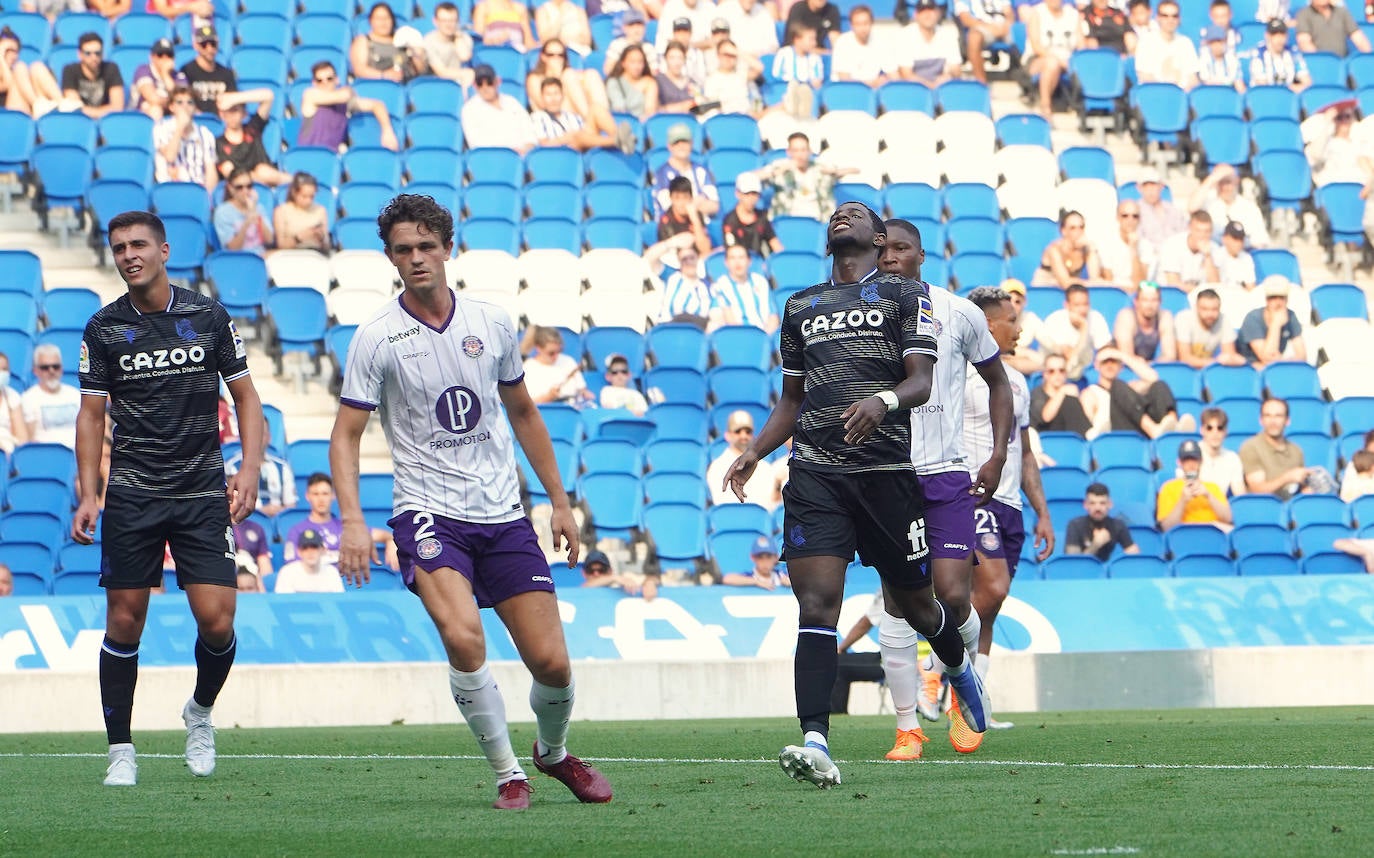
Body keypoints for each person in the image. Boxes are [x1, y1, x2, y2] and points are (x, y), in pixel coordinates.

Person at [330, 193, 613, 810]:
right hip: (427, 511)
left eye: (426, 246)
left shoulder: (491, 322)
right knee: (464, 638)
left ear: (447, 248)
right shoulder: (376, 338)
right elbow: (345, 434)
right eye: (403, 250)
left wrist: (559, 502)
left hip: (503, 512)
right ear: (391, 258)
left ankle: (553, 754)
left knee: (553, 665)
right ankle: (509, 772)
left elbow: (524, 413)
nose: (416, 259)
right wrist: (352, 520)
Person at [721, 201, 990, 790]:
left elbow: (919, 381)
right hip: (815, 475)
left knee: (919, 607)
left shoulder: (904, 298)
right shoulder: (800, 306)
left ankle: (960, 668)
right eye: (837, 213)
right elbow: (792, 401)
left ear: (876, 236)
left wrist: (883, 401)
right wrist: (755, 452)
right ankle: (815, 738)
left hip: (888, 475)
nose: (843, 216)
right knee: (817, 604)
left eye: (857, 213)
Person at [71, 209, 265, 788]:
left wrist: (249, 468)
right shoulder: (103, 327)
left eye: (137, 244)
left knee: (217, 621)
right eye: (118, 246)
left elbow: (248, 398)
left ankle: (200, 711)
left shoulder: (206, 314)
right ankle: (120, 749)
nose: (128, 254)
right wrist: (89, 491)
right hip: (133, 494)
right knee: (125, 622)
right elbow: (90, 414)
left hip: (203, 489)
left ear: (163, 249)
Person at [876, 219, 1013, 761]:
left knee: (953, 595)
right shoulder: (857, 316)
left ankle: (963, 686)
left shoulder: (960, 313)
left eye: (901, 248)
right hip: (887, 476)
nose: (889, 257)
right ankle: (908, 729)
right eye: (881, 248)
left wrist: (997, 454)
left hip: (946, 472)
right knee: (897, 603)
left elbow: (998, 383)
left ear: (922, 255)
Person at [958, 284, 1054, 746]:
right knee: (992, 589)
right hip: (974, 497)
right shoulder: (954, 373)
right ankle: (937, 671)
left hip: (1012, 503)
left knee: (990, 610)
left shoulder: (1015, 382)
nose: (1019, 328)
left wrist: (1043, 513)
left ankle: (976, 703)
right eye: (1012, 320)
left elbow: (1027, 453)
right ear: (989, 325)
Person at [1082, 347, 1192, 440]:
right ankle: (1153, 429)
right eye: (1105, 362)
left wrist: (1122, 356)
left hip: (1136, 428)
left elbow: (1153, 378)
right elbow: (1088, 428)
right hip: (1115, 432)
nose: (1110, 365)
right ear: (1097, 365)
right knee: (1117, 386)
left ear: (1120, 365)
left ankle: (1173, 424)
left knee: (1159, 386)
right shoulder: (1090, 392)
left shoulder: (1129, 387)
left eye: (1114, 361)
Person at [298, 61, 399, 152]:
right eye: (319, 80)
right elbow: (344, 95)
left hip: (332, 157)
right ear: (314, 83)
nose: (325, 83)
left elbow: (377, 105)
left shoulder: (344, 102)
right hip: (309, 153)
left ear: (336, 80)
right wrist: (349, 91)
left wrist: (387, 131)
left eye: (329, 79)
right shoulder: (310, 95)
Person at [758, 131, 857, 221]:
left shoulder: (820, 167)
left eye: (803, 150)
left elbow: (854, 170)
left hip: (818, 220)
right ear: (789, 152)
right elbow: (749, 178)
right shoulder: (780, 166)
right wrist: (776, 172)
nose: (800, 155)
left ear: (809, 151)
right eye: (795, 150)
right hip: (787, 219)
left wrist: (835, 172)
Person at [214, 89, 291, 188]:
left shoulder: (253, 129)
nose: (232, 115)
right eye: (229, 111)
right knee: (263, 172)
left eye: (236, 110)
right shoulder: (218, 143)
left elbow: (268, 96)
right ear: (222, 114)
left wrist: (234, 98)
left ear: (244, 113)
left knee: (265, 171)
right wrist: (259, 176)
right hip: (241, 188)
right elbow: (229, 173)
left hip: (270, 183)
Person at [1240, 397, 1314, 500]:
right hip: (1264, 509)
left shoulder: (1296, 450)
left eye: (1278, 416)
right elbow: (1257, 490)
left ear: (1287, 420)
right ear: (1261, 420)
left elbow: (1301, 485)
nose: (1273, 421)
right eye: (1268, 416)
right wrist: (1286, 478)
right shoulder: (1251, 447)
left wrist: (1307, 490)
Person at [1037, 284, 1112, 382]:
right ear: (1067, 305)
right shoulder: (1054, 321)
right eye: (1077, 305)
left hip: (1085, 368)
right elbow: (1072, 359)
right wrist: (1084, 327)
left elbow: (1106, 351)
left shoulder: (1096, 318)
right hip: (1057, 371)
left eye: (1085, 304)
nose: (1082, 310)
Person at [831, 591, 890, 716]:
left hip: (896, 661)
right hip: (931, 662)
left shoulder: (893, 587)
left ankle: (837, 717)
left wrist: (841, 648)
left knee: (837, 665)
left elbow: (865, 623)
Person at [1157, 440, 1233, 531]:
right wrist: (1182, 501)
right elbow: (1166, 527)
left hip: (1212, 534)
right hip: (1184, 535)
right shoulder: (1168, 488)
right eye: (1186, 460)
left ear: (1201, 461)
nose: (1191, 465)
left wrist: (1208, 495)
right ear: (1179, 462)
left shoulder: (1212, 487)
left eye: (1194, 460)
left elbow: (1228, 519)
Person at [1021, 0, 1081, 116]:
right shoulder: (1037, 13)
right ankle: (1045, 106)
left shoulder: (1073, 15)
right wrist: (1059, 60)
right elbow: (1036, 46)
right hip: (1038, 58)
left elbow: (1081, 43)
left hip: (1067, 59)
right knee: (1052, 63)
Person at [708, 409, 776, 506]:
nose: (743, 436)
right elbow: (721, 505)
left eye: (748, 432)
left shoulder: (766, 467)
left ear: (753, 436)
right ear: (727, 435)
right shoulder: (716, 467)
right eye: (738, 431)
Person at [153, 86, 216, 191]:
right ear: (172, 107)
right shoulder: (161, 128)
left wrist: (208, 195)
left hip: (197, 188)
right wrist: (180, 128)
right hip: (170, 188)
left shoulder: (205, 133)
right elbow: (170, 156)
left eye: (190, 102)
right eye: (179, 102)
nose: (185, 106)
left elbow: (210, 170)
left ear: (195, 108)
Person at [651, 123, 719, 218]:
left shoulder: (701, 170)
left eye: (685, 142)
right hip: (672, 229)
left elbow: (714, 205)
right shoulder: (661, 174)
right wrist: (696, 203)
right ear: (669, 146)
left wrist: (691, 207)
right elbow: (671, 208)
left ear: (691, 143)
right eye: (676, 142)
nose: (681, 146)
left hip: (702, 227)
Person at [530, 77, 617, 151]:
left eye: (556, 94)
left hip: (583, 150)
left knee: (596, 108)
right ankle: (615, 141)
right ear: (542, 97)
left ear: (562, 95)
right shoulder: (537, 117)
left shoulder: (573, 117)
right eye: (548, 95)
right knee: (577, 136)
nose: (553, 99)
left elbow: (588, 136)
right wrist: (565, 138)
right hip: (559, 154)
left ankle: (618, 136)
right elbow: (542, 145)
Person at [1237, 276, 1307, 367]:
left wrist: (1282, 360)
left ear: (1287, 299)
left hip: (1275, 368)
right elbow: (1267, 358)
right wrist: (1276, 324)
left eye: (1281, 298)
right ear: (1266, 299)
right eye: (1273, 297)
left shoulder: (1291, 316)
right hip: (1249, 368)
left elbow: (1302, 356)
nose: (1277, 302)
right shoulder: (1252, 318)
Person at [350, 2, 427, 83]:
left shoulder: (403, 39)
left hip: (406, 84)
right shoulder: (363, 41)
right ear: (370, 21)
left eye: (387, 18)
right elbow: (359, 69)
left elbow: (419, 70)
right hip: (377, 86)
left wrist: (416, 52)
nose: (383, 22)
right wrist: (384, 75)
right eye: (379, 18)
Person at [711, 244, 779, 334]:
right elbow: (728, 319)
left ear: (749, 261)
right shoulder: (720, 285)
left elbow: (773, 315)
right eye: (732, 258)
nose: (737, 262)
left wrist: (765, 338)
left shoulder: (760, 281)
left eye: (741, 257)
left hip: (763, 335)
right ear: (726, 262)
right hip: (736, 335)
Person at [23, 343, 80, 448]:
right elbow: (28, 439)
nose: (51, 371)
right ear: (35, 371)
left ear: (61, 369)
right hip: (45, 455)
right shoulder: (28, 398)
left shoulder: (75, 395)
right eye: (45, 367)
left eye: (56, 366)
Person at [521, 326, 594, 406]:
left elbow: (582, 389)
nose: (556, 356)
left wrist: (585, 394)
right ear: (538, 348)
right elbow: (527, 404)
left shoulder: (568, 361)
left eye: (559, 351)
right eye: (551, 353)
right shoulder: (528, 368)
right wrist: (548, 397)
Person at [648, 235, 714, 325]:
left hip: (698, 331)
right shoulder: (671, 276)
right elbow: (650, 258)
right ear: (679, 261)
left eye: (692, 258)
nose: (689, 262)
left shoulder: (707, 284)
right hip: (670, 328)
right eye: (684, 259)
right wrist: (672, 242)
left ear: (698, 259)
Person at [0, 26, 64, 117]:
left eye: (15, 51)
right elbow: (8, 84)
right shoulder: (15, 74)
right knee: (20, 67)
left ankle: (62, 104)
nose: (12, 55)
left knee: (36, 67)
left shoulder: (20, 75)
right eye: (7, 51)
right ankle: (36, 103)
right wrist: (1, 58)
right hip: (8, 118)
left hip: (29, 113)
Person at [1133, 0, 1198, 89]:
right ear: (1157, 18)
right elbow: (1145, 77)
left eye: (1174, 16)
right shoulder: (1146, 42)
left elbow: (1193, 78)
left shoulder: (1186, 43)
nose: (1170, 20)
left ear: (1179, 19)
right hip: (1155, 95)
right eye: (1165, 16)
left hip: (1182, 97)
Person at [1176, 288, 1246, 369]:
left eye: (1214, 309)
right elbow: (1185, 359)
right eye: (1204, 309)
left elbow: (1229, 356)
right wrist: (1216, 362)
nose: (1210, 314)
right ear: (1196, 308)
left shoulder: (1223, 320)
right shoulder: (1184, 318)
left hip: (1207, 370)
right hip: (1182, 371)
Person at [224, 438, 296, 517]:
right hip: (246, 520)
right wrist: (261, 512)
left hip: (276, 518)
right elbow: (232, 504)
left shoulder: (282, 467)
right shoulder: (232, 466)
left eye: (262, 433)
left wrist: (275, 511)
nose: (259, 437)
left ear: (269, 437)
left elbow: (290, 506)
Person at [1065, 482, 1138, 560]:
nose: (1097, 508)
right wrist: (1096, 544)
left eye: (1102, 503)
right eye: (1092, 503)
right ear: (1085, 505)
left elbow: (1134, 555)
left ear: (1110, 504)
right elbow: (1074, 564)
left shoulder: (1118, 525)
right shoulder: (1075, 525)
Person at [1034, 210, 1105, 289]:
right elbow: (1065, 283)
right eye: (1073, 228)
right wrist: (1088, 283)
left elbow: (1094, 279)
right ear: (1064, 231)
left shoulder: (1085, 249)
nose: (1078, 231)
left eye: (1081, 227)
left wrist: (1091, 248)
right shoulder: (1054, 249)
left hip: (1071, 293)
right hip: (1045, 291)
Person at [61, 32, 124, 118]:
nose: (93, 57)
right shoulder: (70, 70)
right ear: (79, 54)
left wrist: (87, 111)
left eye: (97, 53)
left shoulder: (111, 68)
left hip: (104, 122)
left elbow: (117, 107)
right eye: (88, 53)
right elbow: (74, 107)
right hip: (80, 121)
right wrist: (105, 111)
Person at [212, 167, 273, 256]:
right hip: (238, 259)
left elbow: (269, 240)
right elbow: (233, 248)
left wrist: (255, 213)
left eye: (249, 186)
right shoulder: (222, 213)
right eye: (239, 187)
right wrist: (246, 224)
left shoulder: (258, 207)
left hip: (260, 255)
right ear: (230, 188)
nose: (245, 191)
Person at [900, 0, 963, 85]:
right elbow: (906, 74)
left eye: (931, 10)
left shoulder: (948, 35)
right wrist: (929, 86)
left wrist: (948, 75)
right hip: (914, 90)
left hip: (943, 89)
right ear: (916, 15)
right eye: (922, 11)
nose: (927, 15)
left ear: (938, 13)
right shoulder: (905, 36)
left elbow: (956, 69)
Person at [1098, 200, 1156, 289]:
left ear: (1139, 219)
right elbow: (1109, 281)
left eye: (1135, 216)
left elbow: (1141, 283)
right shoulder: (1106, 244)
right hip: (1116, 294)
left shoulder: (1146, 246)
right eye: (1125, 216)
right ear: (1118, 218)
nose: (1130, 220)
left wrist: (1133, 249)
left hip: (1138, 296)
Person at [830, 5, 893, 87]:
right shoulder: (843, 42)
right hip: (846, 92)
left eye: (865, 23)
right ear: (851, 25)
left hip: (872, 93)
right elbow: (844, 78)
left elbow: (893, 75)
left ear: (872, 23)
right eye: (858, 24)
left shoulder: (882, 42)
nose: (862, 28)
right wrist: (872, 84)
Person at [1029, 352, 1091, 436]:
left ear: (1066, 373)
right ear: (1045, 374)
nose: (1057, 374)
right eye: (1051, 371)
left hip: (1072, 440)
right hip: (1046, 440)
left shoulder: (1070, 394)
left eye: (1061, 370)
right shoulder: (1037, 394)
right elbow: (1046, 417)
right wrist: (1062, 391)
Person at [1113, 282, 1177, 363]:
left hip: (1148, 367)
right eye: (1145, 300)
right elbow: (1126, 356)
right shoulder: (1126, 317)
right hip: (1123, 369)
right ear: (1136, 302)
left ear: (1160, 302)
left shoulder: (1164, 317)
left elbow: (1170, 355)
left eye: (1154, 300)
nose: (1149, 305)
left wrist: (1151, 366)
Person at [771, 24, 824, 118]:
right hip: (786, 86)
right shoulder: (784, 53)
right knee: (792, 89)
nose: (814, 43)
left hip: (807, 88)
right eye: (811, 39)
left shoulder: (815, 58)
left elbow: (817, 80)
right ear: (797, 39)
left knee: (806, 92)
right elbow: (776, 75)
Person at [723, 173, 782, 257]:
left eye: (754, 194)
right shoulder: (730, 220)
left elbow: (775, 244)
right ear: (738, 194)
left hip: (759, 266)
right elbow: (732, 250)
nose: (751, 198)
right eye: (747, 194)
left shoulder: (762, 218)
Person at [180, 26, 235, 115]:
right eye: (204, 44)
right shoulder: (186, 71)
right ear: (195, 45)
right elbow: (182, 101)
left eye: (213, 44)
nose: (209, 49)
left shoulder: (226, 73)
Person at [953, 0, 1012, 84]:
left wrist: (1006, 26)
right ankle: (981, 83)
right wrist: (990, 28)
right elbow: (965, 19)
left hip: (1004, 27)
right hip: (981, 27)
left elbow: (1009, 12)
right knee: (974, 37)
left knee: (1022, 31)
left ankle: (1025, 78)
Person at [656, 175, 713, 258]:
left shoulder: (696, 215)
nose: (681, 203)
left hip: (698, 261)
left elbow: (705, 249)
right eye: (677, 198)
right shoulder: (665, 221)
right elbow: (671, 254)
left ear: (691, 198)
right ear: (671, 198)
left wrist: (694, 219)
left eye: (685, 197)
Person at [273, 529, 345, 594]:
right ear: (299, 552)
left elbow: (339, 602)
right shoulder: (287, 572)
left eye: (314, 547)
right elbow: (284, 605)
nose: (310, 552)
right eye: (305, 548)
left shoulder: (332, 572)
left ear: (323, 550)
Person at [1195, 406, 1247, 496]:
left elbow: (1239, 492)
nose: (1215, 433)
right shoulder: (1192, 454)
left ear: (1226, 431)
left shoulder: (1232, 458)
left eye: (1220, 428)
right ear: (1202, 430)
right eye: (1209, 428)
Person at [273, 172, 330, 253]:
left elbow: (327, 245)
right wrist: (299, 238)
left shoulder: (320, 210)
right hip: (291, 255)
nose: (308, 201)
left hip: (316, 254)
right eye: (304, 196)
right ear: (294, 193)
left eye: (311, 197)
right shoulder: (281, 211)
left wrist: (321, 238)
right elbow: (281, 244)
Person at [129, 38, 185, 119]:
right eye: (160, 55)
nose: (164, 58)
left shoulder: (178, 75)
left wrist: (166, 75)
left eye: (169, 55)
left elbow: (183, 99)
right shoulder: (143, 70)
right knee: (155, 109)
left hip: (171, 115)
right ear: (152, 57)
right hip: (139, 118)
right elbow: (153, 99)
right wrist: (174, 102)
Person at [423, 1, 476, 87]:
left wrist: (457, 37)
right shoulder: (429, 41)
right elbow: (441, 72)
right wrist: (466, 73)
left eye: (452, 20)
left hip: (461, 81)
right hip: (437, 84)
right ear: (435, 21)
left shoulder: (464, 38)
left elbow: (464, 56)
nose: (448, 24)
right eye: (444, 20)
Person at [1295, 0, 1372, 58]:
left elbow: (1359, 38)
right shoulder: (1303, 14)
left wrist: (1368, 59)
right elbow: (1304, 42)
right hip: (1317, 65)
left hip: (1342, 64)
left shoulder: (1342, 12)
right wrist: (1322, 62)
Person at [1250, 19, 1310, 91]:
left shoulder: (1293, 53)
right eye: (1274, 34)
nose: (1279, 38)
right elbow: (1262, 86)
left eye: (1282, 34)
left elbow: (1307, 82)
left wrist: (1289, 90)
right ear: (1267, 35)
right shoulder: (1259, 53)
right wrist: (1290, 89)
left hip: (1289, 98)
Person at [605, 41, 659, 120]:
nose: (636, 66)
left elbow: (650, 111)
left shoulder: (649, 82)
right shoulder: (614, 82)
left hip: (642, 124)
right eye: (632, 62)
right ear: (623, 63)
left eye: (640, 62)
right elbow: (619, 108)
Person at [1137, 169, 1188, 246]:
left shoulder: (1173, 210)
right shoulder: (1134, 212)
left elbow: (1184, 232)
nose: (1150, 190)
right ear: (1139, 188)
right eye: (1146, 186)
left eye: (1153, 185)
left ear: (1161, 186)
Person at [603, 11, 660, 77]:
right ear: (624, 28)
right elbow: (608, 69)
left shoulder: (649, 48)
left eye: (639, 25)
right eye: (632, 25)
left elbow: (654, 72)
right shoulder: (617, 45)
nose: (636, 30)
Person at [722, 535, 791, 588]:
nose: (765, 562)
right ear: (753, 558)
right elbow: (727, 579)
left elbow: (799, 581)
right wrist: (756, 582)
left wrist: (790, 583)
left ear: (776, 557)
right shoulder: (750, 575)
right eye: (760, 557)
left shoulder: (780, 575)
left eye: (769, 557)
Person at [656, 38, 703, 113]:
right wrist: (681, 107)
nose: (676, 62)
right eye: (672, 58)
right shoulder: (658, 81)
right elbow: (653, 109)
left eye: (680, 58)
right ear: (665, 58)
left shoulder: (692, 82)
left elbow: (700, 104)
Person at [1197, 24, 1244, 91]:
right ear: (1208, 44)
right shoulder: (1203, 59)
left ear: (1225, 42)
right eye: (1213, 42)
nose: (1217, 46)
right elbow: (1206, 81)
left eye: (1219, 41)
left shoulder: (1232, 59)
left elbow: (1238, 83)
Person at [0, 350, 30, 454]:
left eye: (4, 369)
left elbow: (22, 439)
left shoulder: (12, 396)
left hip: (10, 455)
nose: (1, 373)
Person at [1214, 221, 1256, 290]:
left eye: (1241, 239)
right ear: (1224, 239)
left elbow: (1251, 287)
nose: (1239, 243)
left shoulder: (1246, 258)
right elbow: (1215, 284)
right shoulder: (1217, 255)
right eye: (1235, 238)